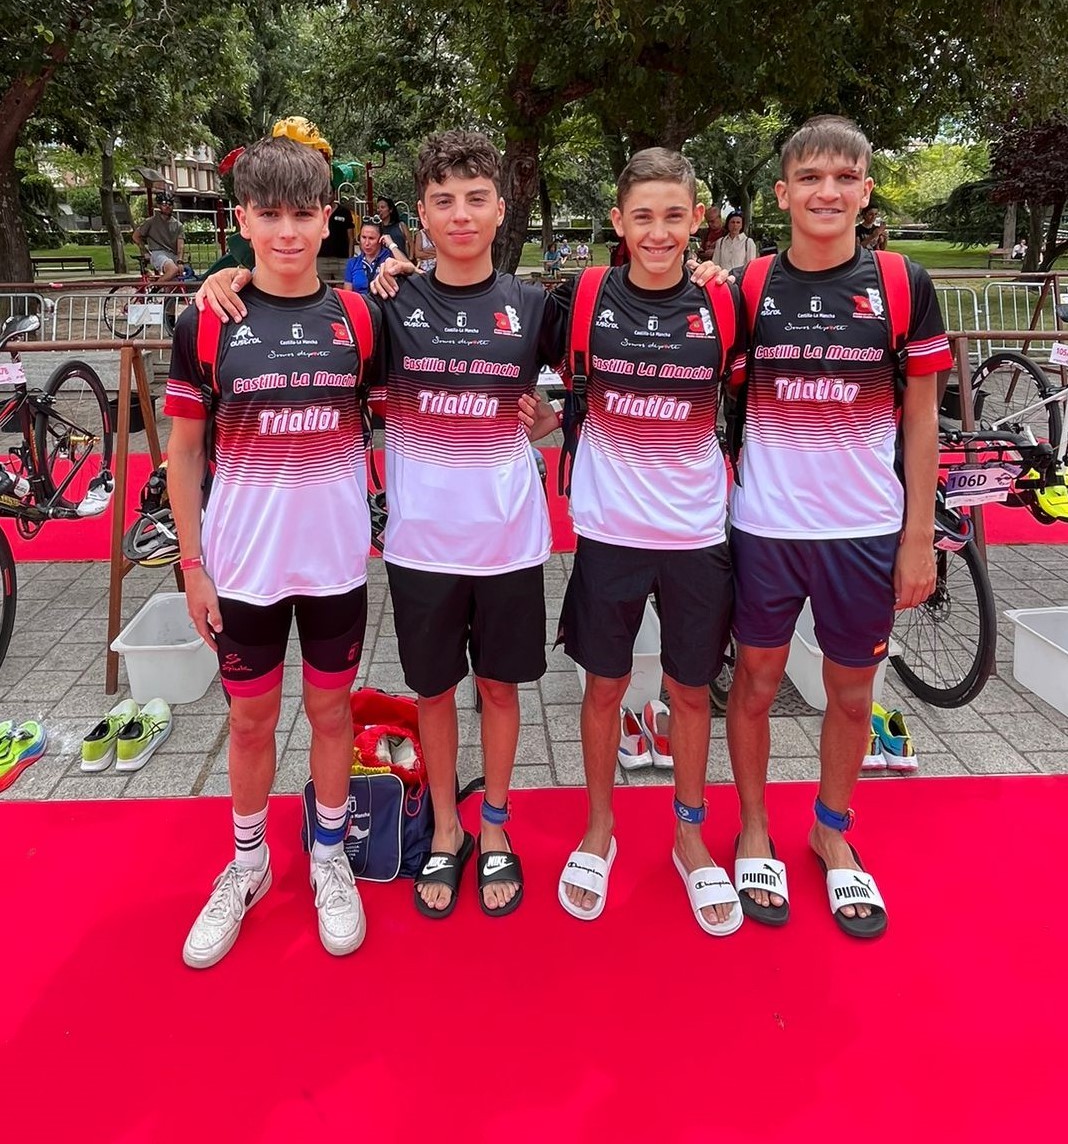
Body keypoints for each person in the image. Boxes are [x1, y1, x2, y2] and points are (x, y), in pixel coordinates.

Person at [200, 130, 563, 922]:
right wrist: (226, 276)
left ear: (502, 209)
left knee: (499, 688)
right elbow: (291, 303)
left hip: (509, 539)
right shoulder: (387, 306)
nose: (460, 215)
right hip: (420, 542)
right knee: (433, 690)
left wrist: (551, 420)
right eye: (443, 201)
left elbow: (601, 374)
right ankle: (445, 828)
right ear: (420, 216)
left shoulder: (536, 305)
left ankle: (495, 825)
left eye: (476, 199)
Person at [726, 114, 951, 938]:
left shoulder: (901, 283)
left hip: (865, 530)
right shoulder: (748, 288)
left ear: (866, 190)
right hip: (766, 528)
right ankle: (755, 828)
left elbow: (922, 420)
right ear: (782, 193)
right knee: (755, 685)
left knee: (852, 697)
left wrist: (918, 537)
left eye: (845, 178)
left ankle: (831, 830)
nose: (828, 192)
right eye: (811, 178)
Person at [166, 135, 379, 968]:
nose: (287, 232)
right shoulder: (208, 320)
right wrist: (191, 566)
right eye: (270, 214)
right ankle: (248, 863)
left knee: (331, 714)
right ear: (242, 221)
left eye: (303, 214)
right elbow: (183, 452)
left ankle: (329, 855)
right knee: (250, 722)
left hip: (334, 565)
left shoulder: (359, 319)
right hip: (242, 570)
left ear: (328, 219)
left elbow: (406, 407)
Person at [526, 149, 744, 934]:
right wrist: (390, 276)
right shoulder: (583, 298)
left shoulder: (724, 304)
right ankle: (600, 828)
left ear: (698, 221)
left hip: (696, 533)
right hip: (609, 532)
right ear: (618, 221)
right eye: (642, 217)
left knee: (690, 691)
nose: (658, 232)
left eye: (673, 216)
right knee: (604, 688)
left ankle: (689, 835)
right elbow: (484, 331)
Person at [133, 188, 185, 280]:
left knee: (178, 277)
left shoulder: (178, 225)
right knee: (173, 270)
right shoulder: (151, 222)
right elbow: (136, 236)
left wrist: (180, 261)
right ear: (159, 205)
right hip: (158, 253)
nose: (167, 207)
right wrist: (145, 251)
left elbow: (180, 246)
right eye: (164, 204)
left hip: (172, 254)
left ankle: (163, 287)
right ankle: (155, 288)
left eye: (170, 204)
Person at [344, 219, 390, 292]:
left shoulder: (389, 258)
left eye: (371, 238)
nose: (366, 243)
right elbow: (347, 294)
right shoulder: (352, 263)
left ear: (381, 239)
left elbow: (408, 268)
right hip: (359, 299)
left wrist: (391, 245)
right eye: (363, 237)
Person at [319, 194, 356, 281]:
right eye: (325, 192)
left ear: (334, 194)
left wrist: (350, 259)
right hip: (321, 259)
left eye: (329, 192)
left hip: (342, 259)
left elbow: (351, 238)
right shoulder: (317, 212)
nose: (327, 195)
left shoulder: (344, 212)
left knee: (345, 286)